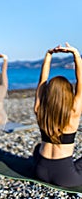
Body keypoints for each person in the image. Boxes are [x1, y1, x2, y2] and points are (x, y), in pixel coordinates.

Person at [33, 43, 82, 187]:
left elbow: (42, 81)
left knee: (37, 148)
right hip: (65, 177)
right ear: (68, 95)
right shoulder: (73, 112)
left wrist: (48, 55)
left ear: (48, 93)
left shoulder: (40, 109)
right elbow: (81, 81)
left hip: (40, 171)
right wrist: (76, 55)